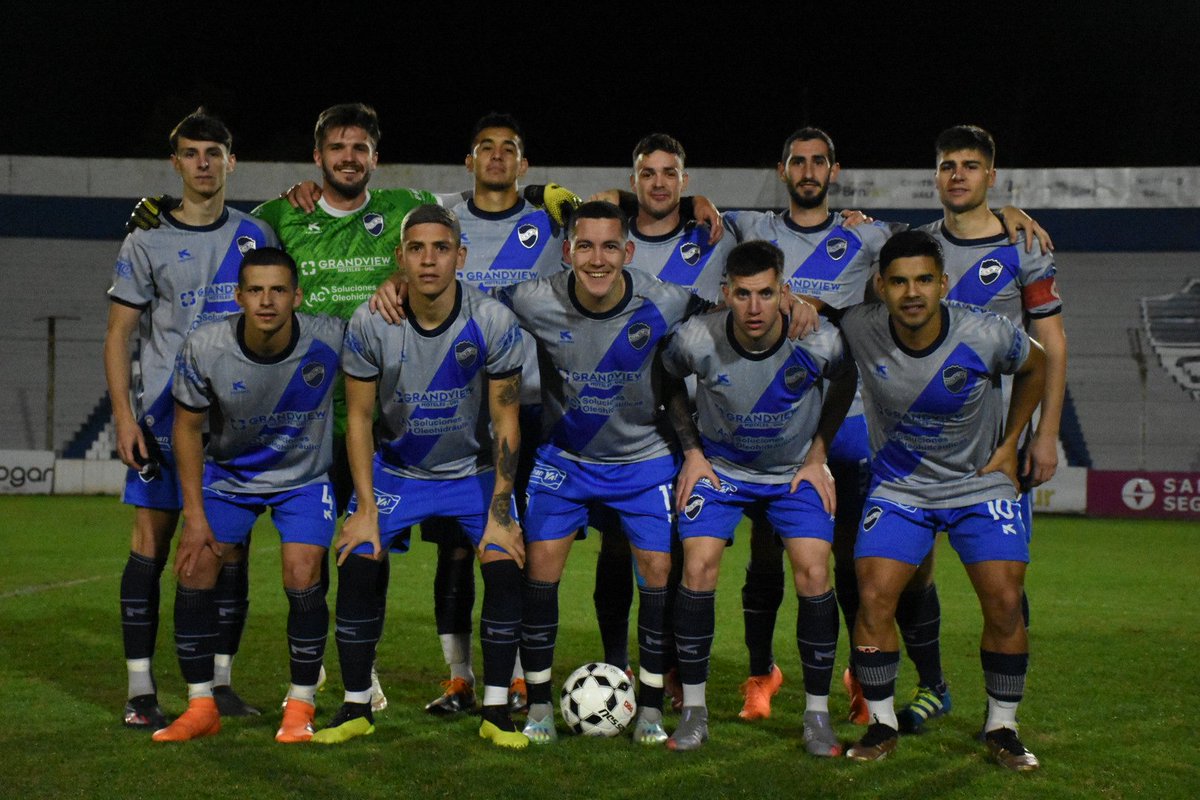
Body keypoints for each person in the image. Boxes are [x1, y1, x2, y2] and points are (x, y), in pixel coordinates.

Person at [722, 127, 1054, 725]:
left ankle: (901, 683)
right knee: (784, 555)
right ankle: (770, 673)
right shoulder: (756, 229)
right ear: (782, 169)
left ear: (834, 169)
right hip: (794, 427)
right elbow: (678, 215)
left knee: (898, 568)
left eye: (819, 160)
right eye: (798, 160)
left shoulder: (879, 235)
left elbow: (1040, 341)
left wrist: (1007, 214)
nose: (808, 169)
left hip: (919, 436)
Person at [496, 201, 710, 745]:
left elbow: (729, 314)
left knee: (658, 571)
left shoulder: (662, 298)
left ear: (628, 252)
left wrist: (793, 304)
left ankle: (653, 711)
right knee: (540, 569)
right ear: (568, 252)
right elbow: (465, 305)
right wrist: (399, 291)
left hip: (643, 462)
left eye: (610, 246)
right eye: (585, 246)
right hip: (566, 461)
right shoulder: (533, 298)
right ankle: (540, 708)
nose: (597, 259)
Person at [315, 205, 528, 748]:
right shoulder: (370, 323)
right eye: (416, 249)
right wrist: (364, 507)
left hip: (472, 471)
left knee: (504, 566)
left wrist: (501, 511)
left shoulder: (493, 320)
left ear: (461, 256)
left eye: (440, 248)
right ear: (400, 258)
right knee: (357, 560)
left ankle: (498, 711)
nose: (428, 260)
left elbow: (506, 418)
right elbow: (359, 419)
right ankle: (356, 706)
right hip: (398, 471)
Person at [839, 229, 1045, 771]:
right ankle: (881, 723)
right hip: (902, 486)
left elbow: (1037, 365)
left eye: (924, 280)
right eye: (900, 281)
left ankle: (1002, 726)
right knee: (874, 595)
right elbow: (811, 322)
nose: (912, 293)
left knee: (1004, 598)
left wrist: (1011, 444)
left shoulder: (984, 332)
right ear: (880, 287)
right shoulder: (859, 327)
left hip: (979, 482)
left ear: (943, 284)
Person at [889, 124, 1067, 733]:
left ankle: (1003, 713)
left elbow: (1052, 345)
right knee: (913, 571)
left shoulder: (1024, 247)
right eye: (946, 165)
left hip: (992, 445)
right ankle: (932, 686)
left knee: (1003, 581)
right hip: (915, 446)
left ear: (991, 175)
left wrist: (1042, 434)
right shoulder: (914, 248)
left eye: (969, 165)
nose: (957, 175)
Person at [105, 108, 276, 729]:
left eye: (215, 153)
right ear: (176, 163)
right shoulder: (144, 241)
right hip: (159, 418)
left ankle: (220, 683)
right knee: (150, 546)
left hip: (234, 423)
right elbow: (119, 335)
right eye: (191, 153)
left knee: (230, 549)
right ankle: (140, 690)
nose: (204, 164)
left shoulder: (259, 233)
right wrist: (124, 416)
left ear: (232, 162)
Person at [660, 240, 857, 753]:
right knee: (698, 565)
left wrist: (819, 454)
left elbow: (846, 376)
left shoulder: (815, 338)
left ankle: (817, 716)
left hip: (793, 474)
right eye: (743, 294)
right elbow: (664, 374)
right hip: (722, 472)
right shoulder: (697, 337)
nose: (754, 307)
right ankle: (695, 712)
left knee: (815, 569)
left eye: (766, 294)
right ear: (725, 294)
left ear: (785, 293)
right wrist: (692, 452)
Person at [151, 248, 343, 743]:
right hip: (230, 477)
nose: (267, 301)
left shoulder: (330, 337)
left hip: (303, 479)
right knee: (193, 565)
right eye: (255, 290)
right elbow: (187, 431)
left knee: (303, 570)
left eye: (278, 290)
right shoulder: (205, 347)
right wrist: (193, 515)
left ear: (297, 297)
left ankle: (300, 707)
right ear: (238, 297)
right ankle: (201, 705)